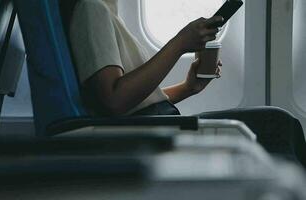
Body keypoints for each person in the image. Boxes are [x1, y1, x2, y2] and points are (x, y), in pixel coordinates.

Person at [63, 0, 306, 167]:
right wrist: (180, 43)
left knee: (281, 123)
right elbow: (114, 101)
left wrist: (187, 87)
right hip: (150, 133)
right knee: (277, 124)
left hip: (155, 123)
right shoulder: (91, 9)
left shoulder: (105, 10)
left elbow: (134, 102)